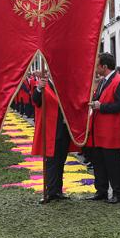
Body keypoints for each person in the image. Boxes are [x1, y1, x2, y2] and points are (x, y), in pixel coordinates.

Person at [86, 53, 120, 204]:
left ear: (104, 66)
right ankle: (101, 191)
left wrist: (100, 106)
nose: (95, 68)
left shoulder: (118, 81)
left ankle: (117, 193)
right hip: (100, 131)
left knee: (113, 164)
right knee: (99, 163)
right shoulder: (104, 81)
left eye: (97, 65)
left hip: (111, 131)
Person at [32, 74, 76, 203]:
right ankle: (50, 191)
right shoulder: (44, 85)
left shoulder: (64, 84)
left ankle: (58, 191)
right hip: (51, 130)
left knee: (60, 162)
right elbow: (36, 101)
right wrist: (39, 88)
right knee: (51, 162)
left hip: (64, 130)